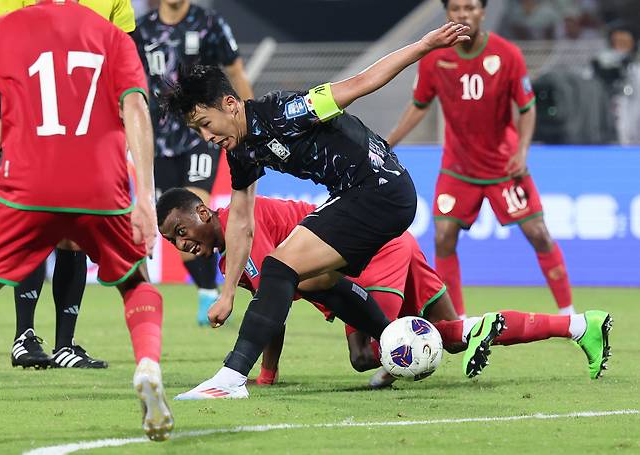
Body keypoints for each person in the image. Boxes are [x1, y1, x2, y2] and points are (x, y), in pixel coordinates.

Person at [160, 22, 471, 398]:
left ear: (230, 104)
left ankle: (231, 376)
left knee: (278, 267)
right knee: (315, 281)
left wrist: (424, 45)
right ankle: (395, 340)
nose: (207, 138)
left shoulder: (283, 112)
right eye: (198, 131)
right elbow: (241, 223)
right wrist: (226, 294)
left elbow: (362, 82)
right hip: (361, 195)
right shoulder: (241, 151)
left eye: (206, 125)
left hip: (379, 189)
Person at [156, 189, 612, 398]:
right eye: (172, 241)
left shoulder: (242, 224)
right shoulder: (230, 256)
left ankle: (476, 329)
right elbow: (273, 305)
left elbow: (269, 305)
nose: (181, 244)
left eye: (181, 230)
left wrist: (265, 373)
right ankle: (579, 325)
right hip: (393, 246)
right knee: (450, 337)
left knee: (368, 354)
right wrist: (268, 375)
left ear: (202, 211)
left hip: (375, 253)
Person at [0, 0, 172, 440]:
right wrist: (144, 196)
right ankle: (147, 363)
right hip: (99, 185)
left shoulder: (10, 25)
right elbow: (137, 109)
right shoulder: (109, 31)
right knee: (135, 281)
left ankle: (27, 338)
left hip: (28, 183)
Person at [387, 0, 574, 319]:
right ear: (447, 13)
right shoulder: (434, 57)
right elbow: (420, 104)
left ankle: (569, 314)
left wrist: (521, 152)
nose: (463, 14)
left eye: (471, 7)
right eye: (456, 8)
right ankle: (456, 321)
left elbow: (527, 108)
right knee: (444, 236)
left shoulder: (507, 54)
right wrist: (388, 143)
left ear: (482, 12)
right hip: (457, 170)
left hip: (505, 168)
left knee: (538, 234)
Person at [0, 0, 136, 369]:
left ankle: (65, 345)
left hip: (88, 126)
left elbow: (126, 56)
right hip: (31, 120)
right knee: (33, 224)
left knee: (75, 229)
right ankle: (24, 337)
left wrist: (124, 115)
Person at [133, 0, 253, 325]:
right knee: (174, 221)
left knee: (194, 206)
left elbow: (235, 70)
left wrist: (250, 119)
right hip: (157, 141)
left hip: (200, 134)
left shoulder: (208, 23)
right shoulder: (141, 30)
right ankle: (207, 290)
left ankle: (219, 287)